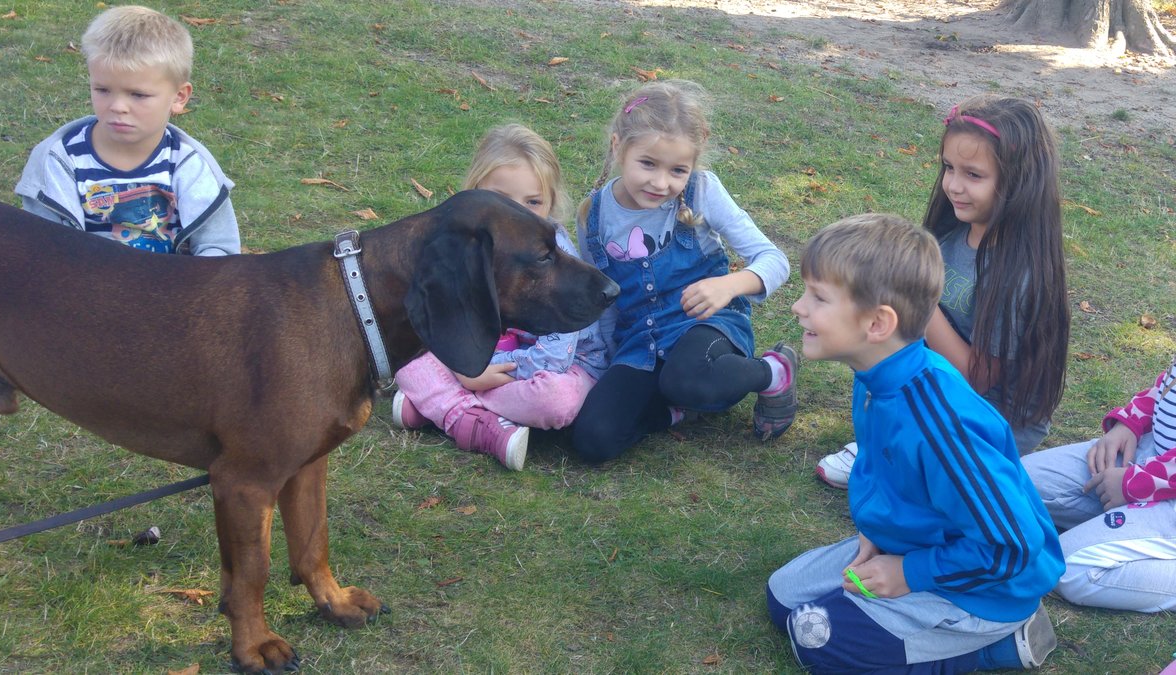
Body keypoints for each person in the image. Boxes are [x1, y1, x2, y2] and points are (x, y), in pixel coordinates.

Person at [768, 214, 1063, 672]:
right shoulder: (874, 375)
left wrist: (909, 573)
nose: (798, 307)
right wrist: (876, 533)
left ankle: (998, 644)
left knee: (817, 639)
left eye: (818, 297)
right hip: (918, 543)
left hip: (988, 585)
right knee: (782, 598)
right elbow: (888, 476)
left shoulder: (941, 423)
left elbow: (1011, 546)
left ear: (877, 323)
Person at [817, 95, 1069, 488]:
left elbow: (975, 379)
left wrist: (920, 298)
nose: (953, 185)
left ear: (1019, 182)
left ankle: (892, 455)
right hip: (943, 389)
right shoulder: (952, 234)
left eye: (973, 175)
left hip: (991, 419)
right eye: (949, 168)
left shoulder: (1019, 275)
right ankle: (889, 443)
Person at [570, 79, 795, 464]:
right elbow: (601, 300)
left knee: (688, 378)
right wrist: (610, 367)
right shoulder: (593, 214)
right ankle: (674, 409)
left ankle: (773, 372)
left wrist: (728, 286)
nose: (661, 183)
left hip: (708, 325)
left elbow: (775, 260)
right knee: (593, 439)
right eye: (647, 164)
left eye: (678, 170)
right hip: (641, 343)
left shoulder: (702, 191)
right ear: (617, 147)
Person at [391, 124, 607, 471]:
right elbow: (443, 319)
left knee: (557, 401)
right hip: (484, 362)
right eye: (502, 199)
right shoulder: (465, 246)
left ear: (551, 204)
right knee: (405, 355)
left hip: (556, 367)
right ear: (475, 194)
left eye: (533, 202)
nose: (517, 215)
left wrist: (474, 373)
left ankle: (441, 406)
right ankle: (473, 421)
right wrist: (465, 366)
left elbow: (554, 358)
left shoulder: (558, 260)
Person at [15, 5, 240, 256]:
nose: (118, 106)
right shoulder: (59, 161)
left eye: (138, 95)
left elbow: (218, 250)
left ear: (179, 97)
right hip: (78, 278)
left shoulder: (190, 165)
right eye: (103, 90)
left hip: (172, 280)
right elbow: (42, 249)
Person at [1022, 355, 1176, 612]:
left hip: (1165, 494)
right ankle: (1123, 530)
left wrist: (1137, 483)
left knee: (1067, 568)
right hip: (1154, 454)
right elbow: (1167, 385)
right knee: (1016, 486)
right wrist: (1130, 422)